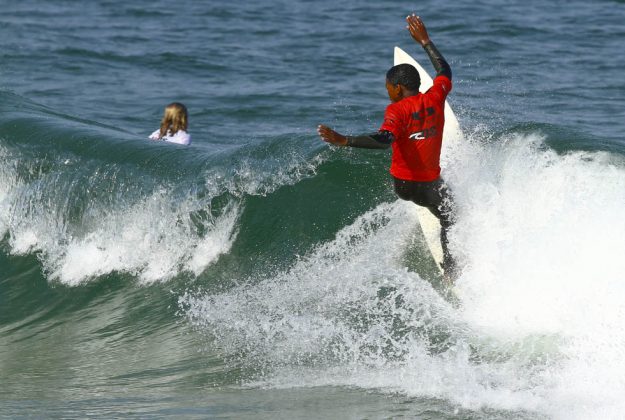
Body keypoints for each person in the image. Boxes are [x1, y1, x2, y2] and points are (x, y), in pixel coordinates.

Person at [317, 14, 457, 281]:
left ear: (399, 87)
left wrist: (346, 140)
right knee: (452, 216)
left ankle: (443, 248)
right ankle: (451, 267)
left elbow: (384, 140)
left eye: (389, 87)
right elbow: (444, 71)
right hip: (426, 183)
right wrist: (426, 41)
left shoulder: (396, 111)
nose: (387, 91)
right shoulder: (436, 97)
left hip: (405, 185)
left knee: (442, 206)